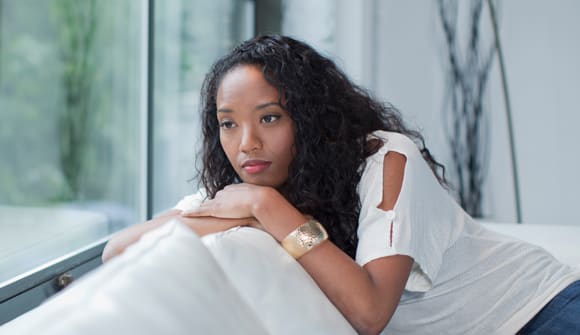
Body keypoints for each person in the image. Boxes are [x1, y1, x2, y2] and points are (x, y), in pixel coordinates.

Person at [102, 35, 580, 334]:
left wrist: (270, 210)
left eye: (270, 117)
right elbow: (118, 251)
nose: (247, 143)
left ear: (310, 117)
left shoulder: (385, 158)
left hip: (542, 311)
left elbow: (370, 312)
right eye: (228, 124)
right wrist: (256, 206)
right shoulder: (247, 190)